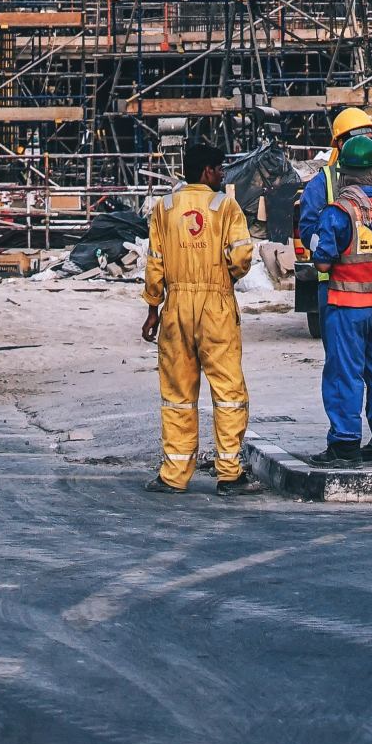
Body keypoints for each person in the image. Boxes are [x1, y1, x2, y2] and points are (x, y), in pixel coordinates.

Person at [141, 142, 261, 495]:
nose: (223, 175)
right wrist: (224, 279)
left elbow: (155, 262)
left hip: (175, 307)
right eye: (220, 168)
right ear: (207, 171)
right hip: (216, 305)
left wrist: (153, 308)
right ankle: (229, 473)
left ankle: (174, 475)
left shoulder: (164, 208)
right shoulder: (224, 206)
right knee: (228, 392)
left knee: (177, 393)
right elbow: (241, 256)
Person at [299, 128, 372, 465]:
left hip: (347, 307)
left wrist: (318, 244)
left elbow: (322, 260)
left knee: (345, 374)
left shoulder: (339, 212)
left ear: (344, 173)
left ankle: (345, 444)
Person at [294, 106, 372, 260]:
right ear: (341, 144)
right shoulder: (321, 183)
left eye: (369, 140)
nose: (364, 146)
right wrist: (330, 251)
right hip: (337, 276)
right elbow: (307, 232)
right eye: (358, 140)